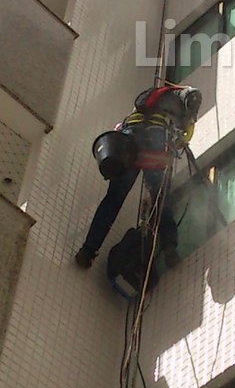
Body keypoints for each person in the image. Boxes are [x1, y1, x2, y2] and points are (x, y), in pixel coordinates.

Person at [75, 85, 202, 269]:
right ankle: (169, 248)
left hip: (127, 145)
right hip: (153, 144)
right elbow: (185, 135)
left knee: (113, 200)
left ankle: (87, 251)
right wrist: (180, 140)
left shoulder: (150, 97)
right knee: (160, 200)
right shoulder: (185, 98)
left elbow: (124, 124)